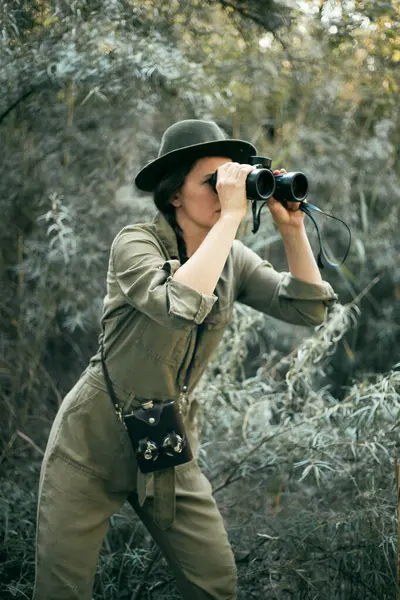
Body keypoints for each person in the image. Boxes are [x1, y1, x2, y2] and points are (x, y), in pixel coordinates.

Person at [32, 119, 338, 600]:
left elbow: (307, 307)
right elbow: (176, 304)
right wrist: (230, 218)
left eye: (231, 178)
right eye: (212, 182)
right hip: (89, 441)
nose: (225, 191)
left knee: (215, 581)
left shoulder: (232, 257)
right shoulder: (135, 243)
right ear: (174, 194)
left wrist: (292, 228)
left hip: (163, 436)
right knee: (61, 590)